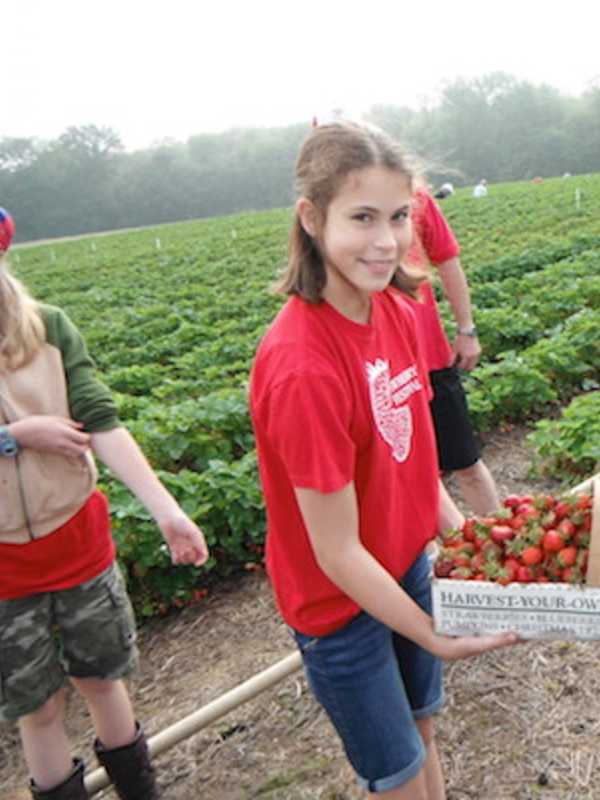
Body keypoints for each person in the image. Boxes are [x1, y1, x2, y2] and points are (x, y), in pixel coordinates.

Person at [249, 121, 517, 799]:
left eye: (399, 216)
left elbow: (415, 466)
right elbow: (337, 552)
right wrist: (434, 634)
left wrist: (478, 547)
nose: (386, 240)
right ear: (312, 218)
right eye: (361, 217)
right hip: (338, 607)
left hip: (403, 567)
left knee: (423, 732)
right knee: (395, 774)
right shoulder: (302, 366)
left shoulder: (397, 310)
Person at [0, 253, 209, 800]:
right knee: (37, 705)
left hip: (76, 537)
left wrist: (167, 511)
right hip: (3, 566)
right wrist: (17, 436)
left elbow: (101, 421)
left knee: (101, 678)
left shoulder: (46, 328)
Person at [406, 189, 500, 517]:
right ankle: (450, 559)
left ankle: (504, 543)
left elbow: (447, 259)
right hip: (380, 374)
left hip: (430, 358)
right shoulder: (329, 212)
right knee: (414, 477)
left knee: (467, 462)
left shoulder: (413, 195)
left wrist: (466, 329)